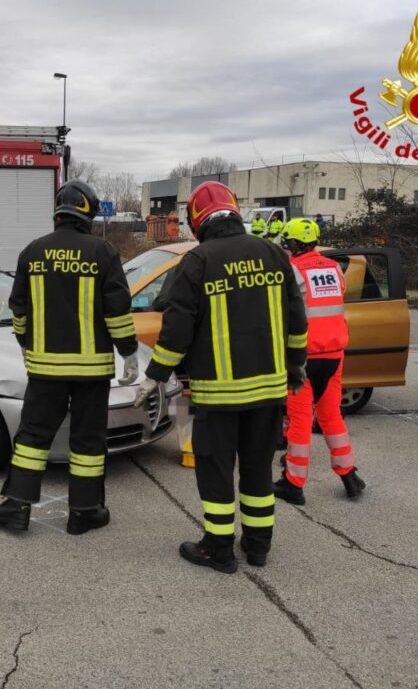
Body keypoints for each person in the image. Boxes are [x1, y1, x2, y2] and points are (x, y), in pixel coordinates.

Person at [134, 181, 308, 573]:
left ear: (197, 221)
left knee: (215, 473)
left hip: (217, 397)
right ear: (235, 210)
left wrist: (155, 376)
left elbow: (177, 330)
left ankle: (218, 549)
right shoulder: (273, 254)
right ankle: (259, 547)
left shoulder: (197, 261)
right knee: (258, 470)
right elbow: (297, 319)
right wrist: (296, 365)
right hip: (268, 393)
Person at [0, 179, 139, 535]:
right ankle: (85, 512)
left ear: (58, 212)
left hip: (45, 369)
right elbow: (117, 311)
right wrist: (129, 352)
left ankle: (16, 507)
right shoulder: (103, 252)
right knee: (88, 442)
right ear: (88, 213)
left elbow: (18, 308)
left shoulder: (33, 251)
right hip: (92, 371)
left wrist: (25, 342)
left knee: (33, 437)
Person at [274, 218, 366, 504]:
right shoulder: (335, 268)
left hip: (303, 357)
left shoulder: (292, 271)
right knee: (330, 415)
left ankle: (293, 483)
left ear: (294, 243)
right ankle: (349, 475)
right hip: (334, 354)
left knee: (300, 419)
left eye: (286, 243)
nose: (285, 248)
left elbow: (282, 311)